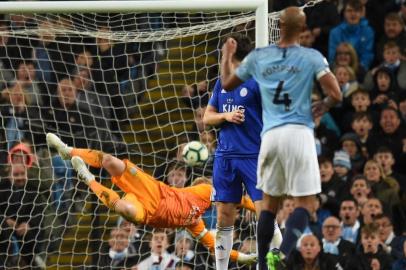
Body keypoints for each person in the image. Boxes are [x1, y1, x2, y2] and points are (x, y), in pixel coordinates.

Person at [219, 6, 342, 269]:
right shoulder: (311, 56)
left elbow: (227, 83)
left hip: (270, 136)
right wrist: (325, 106)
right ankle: (283, 252)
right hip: (299, 133)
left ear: (280, 25)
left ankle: (264, 264)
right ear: (303, 27)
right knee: (305, 203)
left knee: (269, 205)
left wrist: (227, 55)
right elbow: (336, 93)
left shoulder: (260, 56)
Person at [46, 132, 257, 265]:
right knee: (110, 161)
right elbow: (238, 198)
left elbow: (216, 246)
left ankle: (88, 178)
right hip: (152, 189)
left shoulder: (195, 222)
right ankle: (68, 151)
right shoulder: (203, 193)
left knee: (125, 210)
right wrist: (259, 208)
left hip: (148, 213)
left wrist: (243, 257)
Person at [202, 32, 265, 270]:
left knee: (264, 214)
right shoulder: (221, 82)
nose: (221, 59)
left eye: (223, 54)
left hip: (254, 155)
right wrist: (226, 116)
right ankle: (221, 268)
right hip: (225, 157)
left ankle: (267, 264)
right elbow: (207, 117)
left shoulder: (257, 81)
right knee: (223, 215)